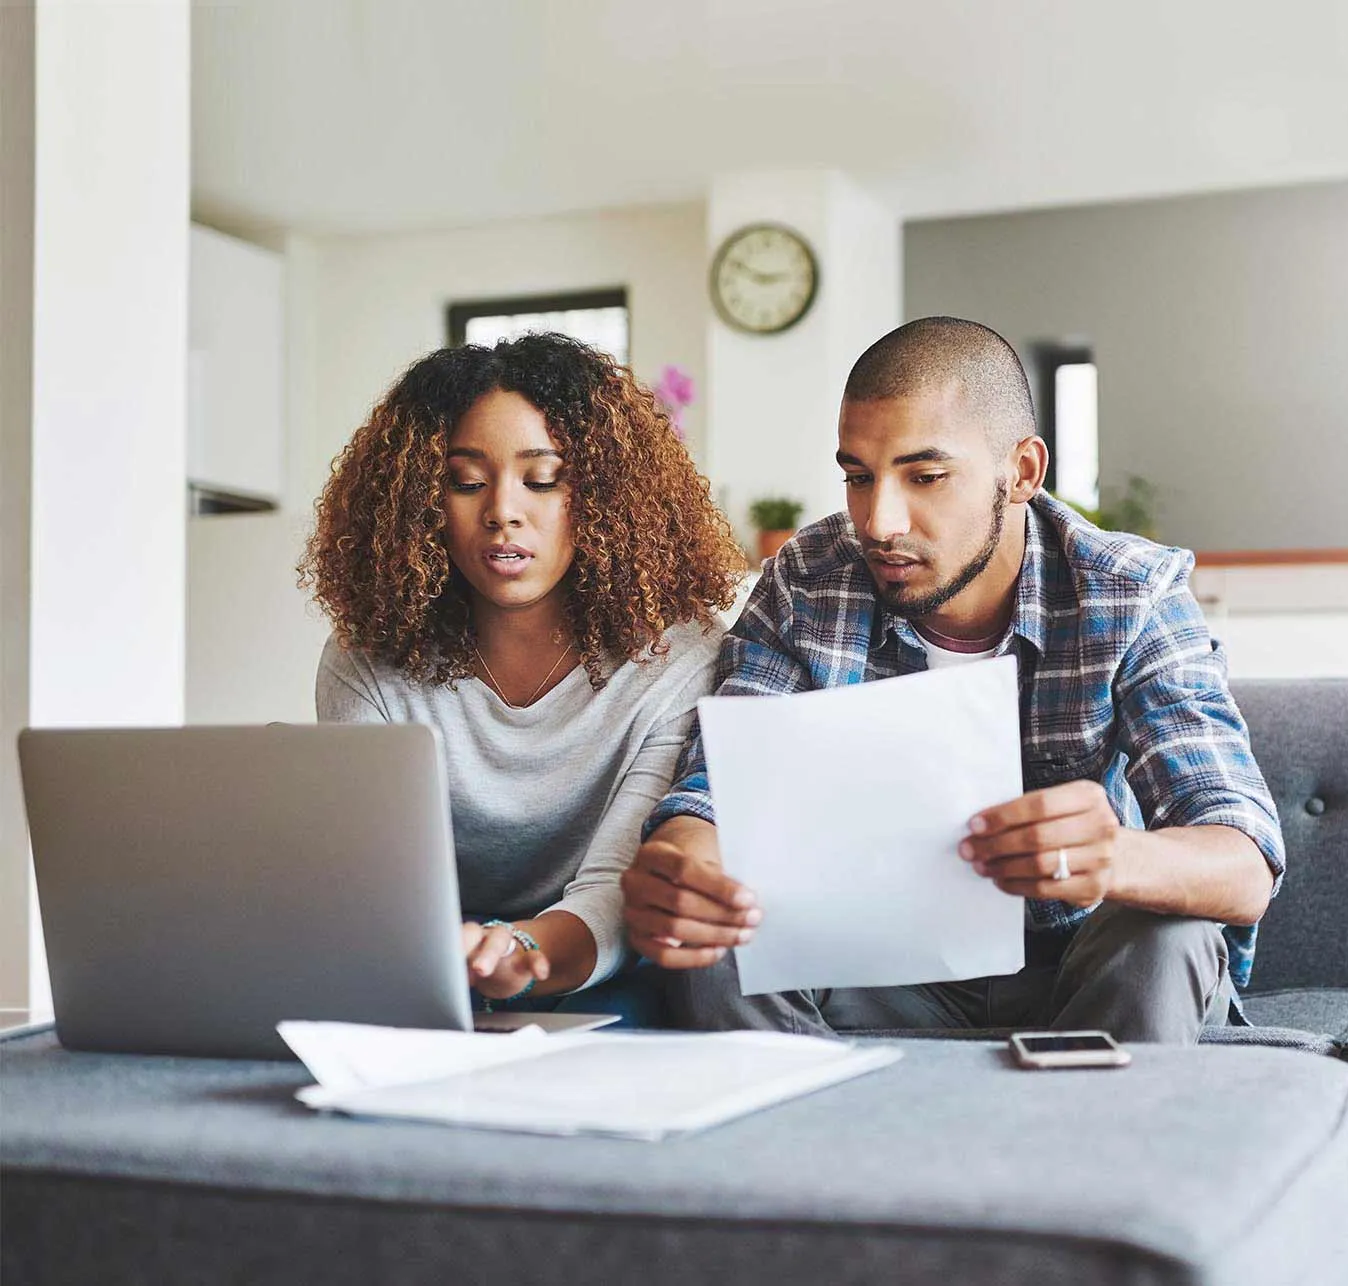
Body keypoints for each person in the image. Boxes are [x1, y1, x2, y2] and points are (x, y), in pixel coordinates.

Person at [625, 316, 1284, 1044]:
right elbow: (715, 792)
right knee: (723, 934)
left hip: (1081, 970)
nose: (879, 521)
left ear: (1023, 473)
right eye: (857, 477)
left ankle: (1096, 1152)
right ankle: (804, 1153)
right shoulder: (807, 583)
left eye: (926, 476)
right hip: (883, 969)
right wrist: (687, 863)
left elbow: (1242, 861)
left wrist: (1115, 857)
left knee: (1172, 934)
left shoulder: (1128, 594)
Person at [302, 332, 738, 1021]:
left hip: (597, 961)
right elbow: (369, 881)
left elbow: (615, 891)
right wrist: (449, 955)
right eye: (466, 481)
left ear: (603, 497)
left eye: (542, 479)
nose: (503, 510)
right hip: (421, 957)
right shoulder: (367, 658)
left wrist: (515, 955)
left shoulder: (677, 658)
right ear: (421, 502)